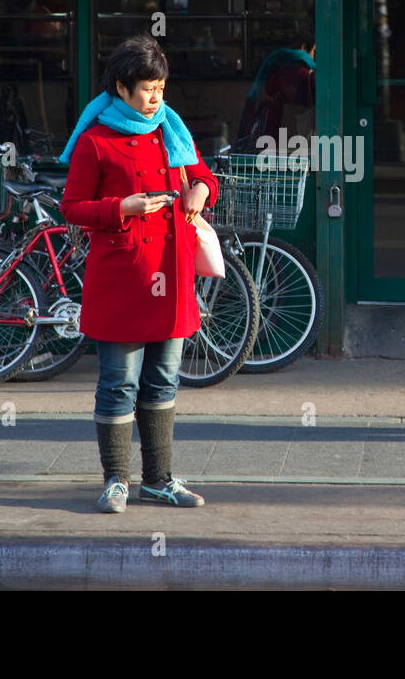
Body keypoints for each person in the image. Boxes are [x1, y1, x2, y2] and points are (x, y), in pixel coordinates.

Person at [59, 34, 219, 512]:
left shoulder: (172, 129)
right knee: (119, 382)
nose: (157, 98)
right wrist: (119, 207)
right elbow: (72, 208)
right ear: (122, 88)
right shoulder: (96, 142)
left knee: (164, 380)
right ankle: (115, 481)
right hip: (122, 278)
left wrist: (201, 193)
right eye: (149, 88)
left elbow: (205, 176)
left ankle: (160, 479)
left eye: (162, 87)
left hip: (171, 277)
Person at [234, 40, 315, 150]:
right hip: (293, 146)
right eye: (315, 51)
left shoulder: (272, 71)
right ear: (304, 47)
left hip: (271, 147)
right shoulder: (306, 75)